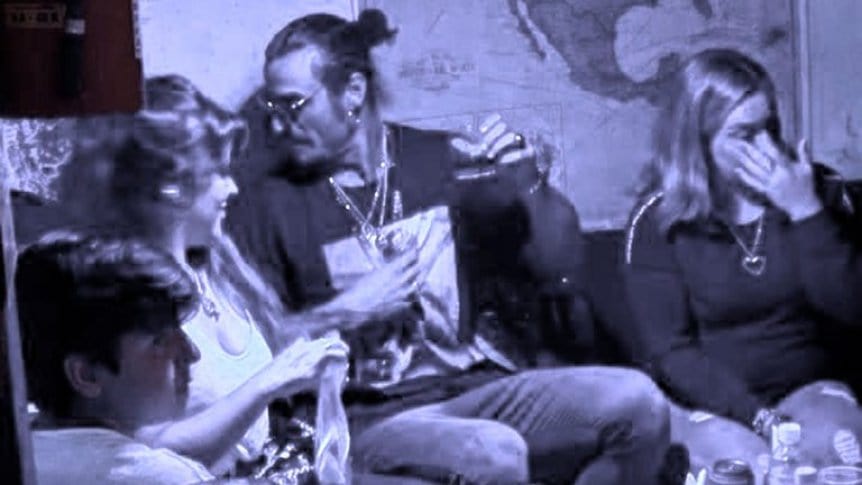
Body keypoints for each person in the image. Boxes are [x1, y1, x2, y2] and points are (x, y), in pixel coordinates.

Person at [227, 9, 671, 484]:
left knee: (639, 403)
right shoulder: (265, 207)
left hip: (478, 387)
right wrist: (345, 310)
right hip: (370, 417)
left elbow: (560, 267)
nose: (279, 127)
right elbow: (249, 359)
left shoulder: (441, 159)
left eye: (292, 106)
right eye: (273, 109)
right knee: (492, 452)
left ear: (353, 92)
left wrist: (529, 185)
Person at [56, 75, 350, 480]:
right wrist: (271, 381)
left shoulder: (219, 267)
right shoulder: (121, 299)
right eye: (219, 172)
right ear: (171, 185)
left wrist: (313, 362)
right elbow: (142, 455)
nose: (233, 188)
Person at [624, 48, 862, 473]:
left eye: (770, 127)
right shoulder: (657, 220)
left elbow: (852, 308)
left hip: (811, 388)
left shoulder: (818, 189)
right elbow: (671, 351)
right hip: (710, 403)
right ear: (699, 141)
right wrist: (758, 417)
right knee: (746, 468)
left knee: (829, 450)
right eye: (745, 134)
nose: (767, 147)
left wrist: (805, 212)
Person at [16, 231, 217, 484]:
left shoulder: (20, 453)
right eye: (158, 340)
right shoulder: (163, 478)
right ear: (87, 375)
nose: (191, 353)